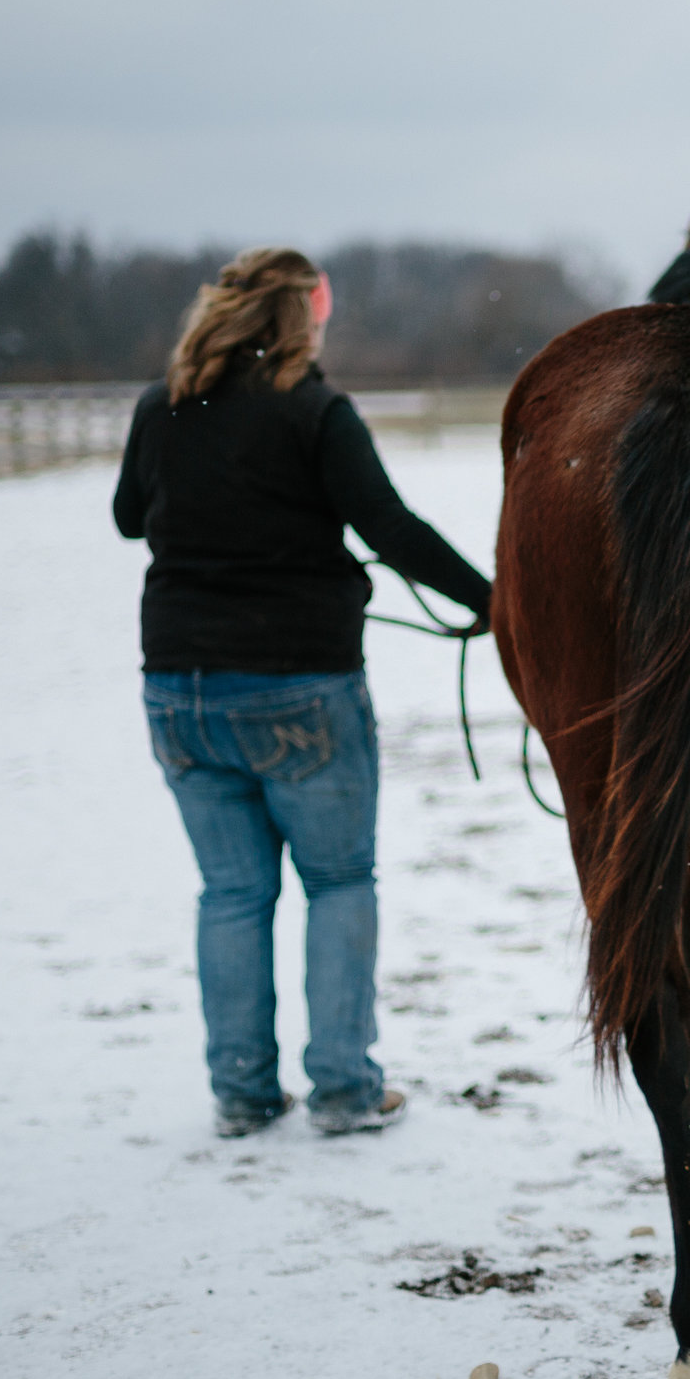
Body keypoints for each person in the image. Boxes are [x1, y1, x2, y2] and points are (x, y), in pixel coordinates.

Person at [113, 247, 490, 1138]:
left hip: (177, 687)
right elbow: (391, 528)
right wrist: (493, 600)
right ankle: (345, 1090)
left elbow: (132, 516)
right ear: (302, 318)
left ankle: (242, 1093)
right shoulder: (316, 411)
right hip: (297, 684)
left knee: (232, 893)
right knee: (337, 879)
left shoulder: (159, 405)